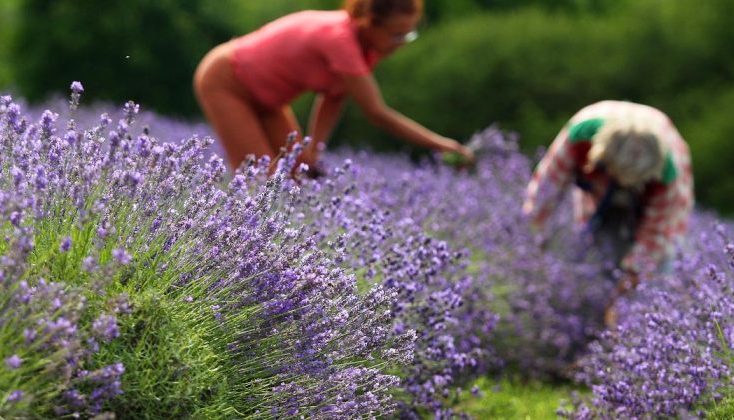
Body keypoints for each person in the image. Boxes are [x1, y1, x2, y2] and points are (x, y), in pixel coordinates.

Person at [192, 0, 473, 175]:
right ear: (368, 23)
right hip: (227, 80)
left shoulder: (368, 47)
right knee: (263, 178)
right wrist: (442, 145)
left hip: (268, 100)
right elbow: (376, 113)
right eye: (396, 35)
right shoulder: (341, 41)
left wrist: (315, 148)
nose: (400, 43)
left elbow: (334, 96)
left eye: (408, 34)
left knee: (297, 175)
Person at [521, 100, 694, 327]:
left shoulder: (669, 172)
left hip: (653, 195)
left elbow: (656, 235)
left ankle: (641, 330)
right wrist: (529, 244)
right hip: (598, 187)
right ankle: (587, 323)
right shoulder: (579, 136)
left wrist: (630, 281)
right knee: (595, 254)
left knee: (656, 278)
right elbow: (545, 191)